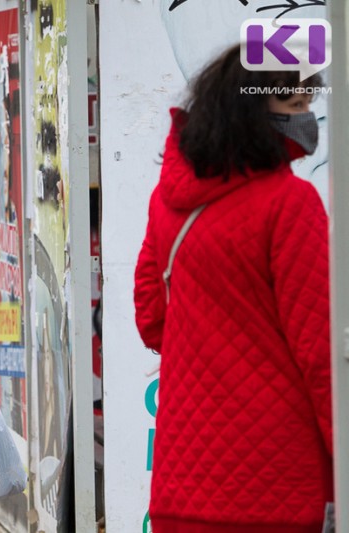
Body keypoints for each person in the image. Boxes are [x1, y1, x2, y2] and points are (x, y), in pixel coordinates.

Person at [134, 45, 332, 533]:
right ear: (253, 110)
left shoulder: (169, 200)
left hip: (182, 477)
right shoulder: (291, 203)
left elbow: (150, 316)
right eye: (297, 106)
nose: (308, 119)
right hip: (276, 483)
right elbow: (321, 352)